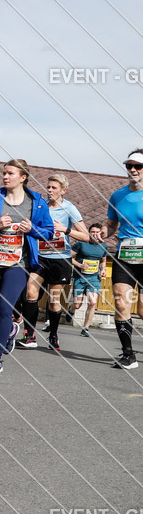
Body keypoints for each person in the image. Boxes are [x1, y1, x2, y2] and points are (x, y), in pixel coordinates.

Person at [0, 159, 54, 374]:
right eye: (4, 173)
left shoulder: (37, 203)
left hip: (19, 263)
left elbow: (49, 233)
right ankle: (8, 330)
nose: (5, 177)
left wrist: (32, 229)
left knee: (5, 307)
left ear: (23, 177)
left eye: (10, 173)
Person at [16, 174, 88, 351]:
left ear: (64, 190)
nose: (49, 190)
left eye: (54, 188)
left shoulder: (69, 208)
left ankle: (53, 335)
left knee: (54, 301)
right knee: (31, 292)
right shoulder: (40, 206)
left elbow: (86, 236)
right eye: (48, 187)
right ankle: (30, 336)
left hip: (60, 259)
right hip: (40, 257)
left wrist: (65, 229)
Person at [103, 150, 143, 369]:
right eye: (129, 166)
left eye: (138, 166)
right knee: (120, 301)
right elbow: (111, 225)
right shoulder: (118, 195)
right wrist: (103, 232)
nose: (133, 170)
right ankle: (128, 355)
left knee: (142, 310)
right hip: (125, 255)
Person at [70, 223, 108, 337]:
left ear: (100, 233)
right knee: (77, 304)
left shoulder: (103, 246)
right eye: (93, 232)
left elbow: (103, 260)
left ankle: (86, 328)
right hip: (79, 277)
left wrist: (103, 269)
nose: (95, 234)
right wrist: (80, 265)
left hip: (94, 278)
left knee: (92, 303)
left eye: (97, 232)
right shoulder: (81, 244)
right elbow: (69, 257)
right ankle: (71, 310)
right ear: (89, 233)